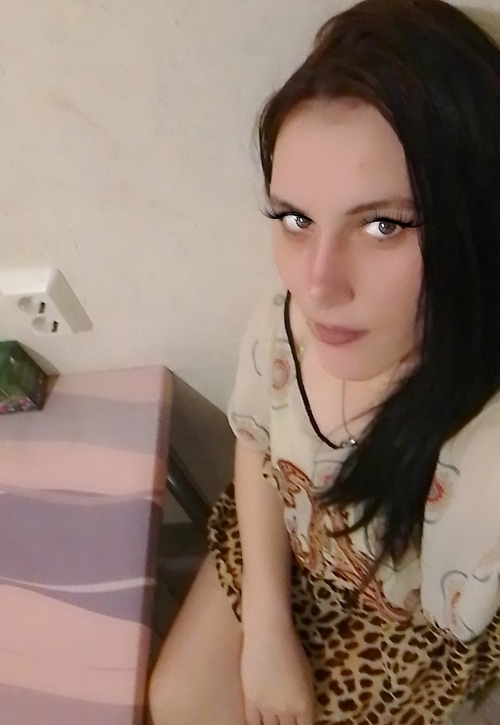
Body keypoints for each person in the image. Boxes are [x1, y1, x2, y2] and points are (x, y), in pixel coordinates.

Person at [148, 0, 500, 723]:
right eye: (295, 219)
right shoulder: (287, 327)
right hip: (284, 541)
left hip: (403, 630)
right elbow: (258, 446)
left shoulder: (483, 447)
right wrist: (267, 630)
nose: (317, 285)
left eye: (383, 224)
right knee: (177, 703)